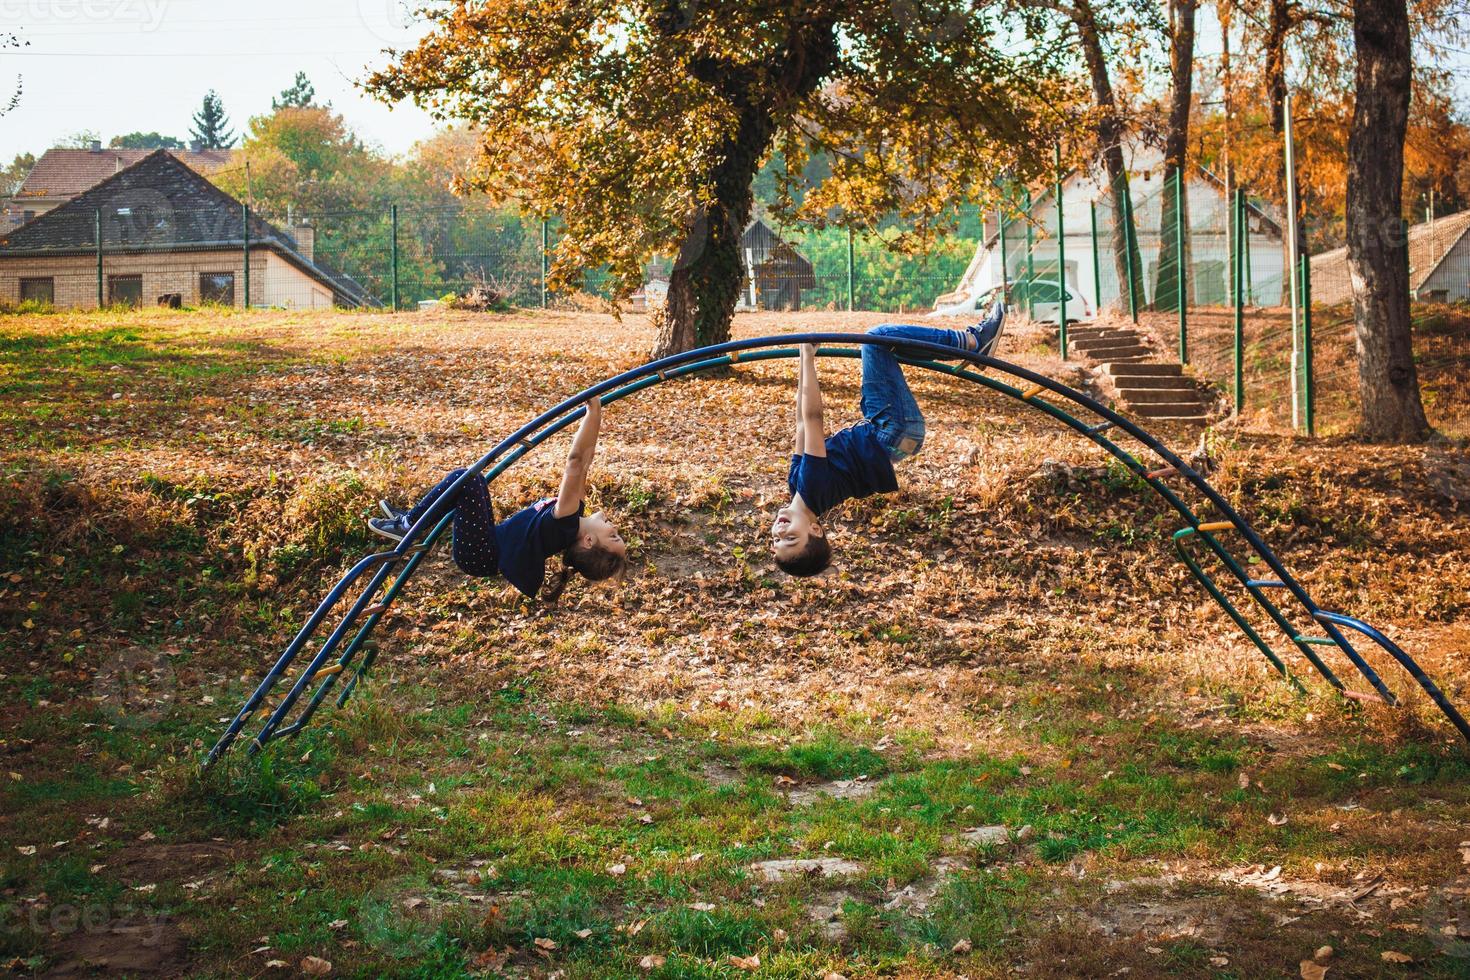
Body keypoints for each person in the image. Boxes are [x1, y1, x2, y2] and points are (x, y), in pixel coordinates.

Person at [771, 303, 1007, 577]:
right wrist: (808, 358)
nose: (781, 530)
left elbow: (800, 423)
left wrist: (804, 356)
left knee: (883, 346)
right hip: (892, 430)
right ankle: (972, 341)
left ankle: (969, 345)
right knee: (876, 340)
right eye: (791, 538)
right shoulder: (812, 487)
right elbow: (812, 418)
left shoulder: (796, 485)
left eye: (776, 540)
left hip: (896, 437)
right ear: (815, 529)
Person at [370, 396, 626, 600]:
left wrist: (593, 410)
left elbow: (576, 461)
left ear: (589, 541)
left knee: (467, 479)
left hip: (481, 552)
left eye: (613, 536)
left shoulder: (565, 521)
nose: (614, 527)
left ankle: (408, 525)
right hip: (486, 546)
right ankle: (412, 521)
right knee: (472, 480)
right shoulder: (573, 514)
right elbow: (586, 461)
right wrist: (595, 413)